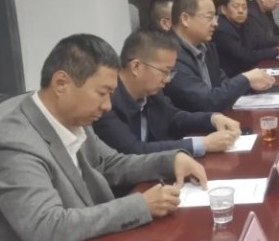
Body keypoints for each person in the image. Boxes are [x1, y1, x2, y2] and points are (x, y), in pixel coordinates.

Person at [0, 34, 207, 241]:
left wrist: (170, 160)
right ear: (61, 84)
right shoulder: (13, 145)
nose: (107, 106)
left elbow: (110, 164)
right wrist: (140, 205)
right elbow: (46, 228)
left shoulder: (75, 119)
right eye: (102, 93)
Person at [93, 28, 241, 156]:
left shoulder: (152, 93)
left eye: (171, 72)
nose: (168, 79)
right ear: (136, 67)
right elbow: (134, 150)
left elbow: (174, 117)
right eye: (165, 71)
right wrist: (203, 144)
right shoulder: (105, 103)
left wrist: (213, 118)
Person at [164, 0, 275, 112]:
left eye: (215, 17)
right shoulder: (168, 54)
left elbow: (223, 84)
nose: (215, 23)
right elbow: (206, 102)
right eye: (209, 17)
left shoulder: (207, 48)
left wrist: (250, 85)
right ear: (185, 19)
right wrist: (245, 79)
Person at [213, 0, 279, 77]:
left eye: (244, 7)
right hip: (233, 79)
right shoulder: (222, 29)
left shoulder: (244, 24)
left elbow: (258, 42)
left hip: (248, 73)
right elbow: (245, 57)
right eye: (236, 6)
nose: (241, 11)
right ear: (223, 9)